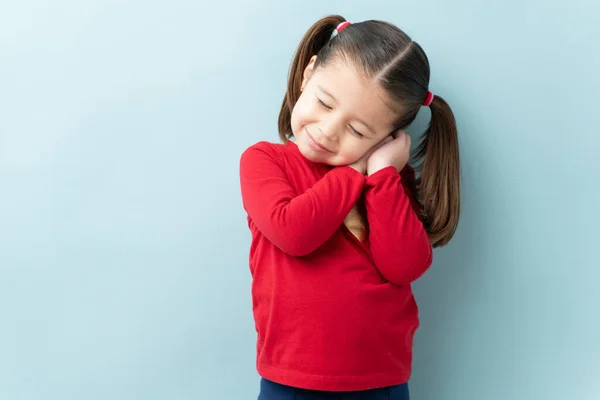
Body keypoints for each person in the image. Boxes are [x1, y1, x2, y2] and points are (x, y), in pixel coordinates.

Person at [239, 14, 460, 400]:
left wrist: (382, 176)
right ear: (308, 73)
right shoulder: (266, 162)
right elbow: (293, 232)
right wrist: (357, 167)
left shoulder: (386, 181)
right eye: (324, 104)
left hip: (381, 382)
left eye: (357, 131)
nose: (327, 131)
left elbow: (405, 265)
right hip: (291, 380)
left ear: (388, 137)